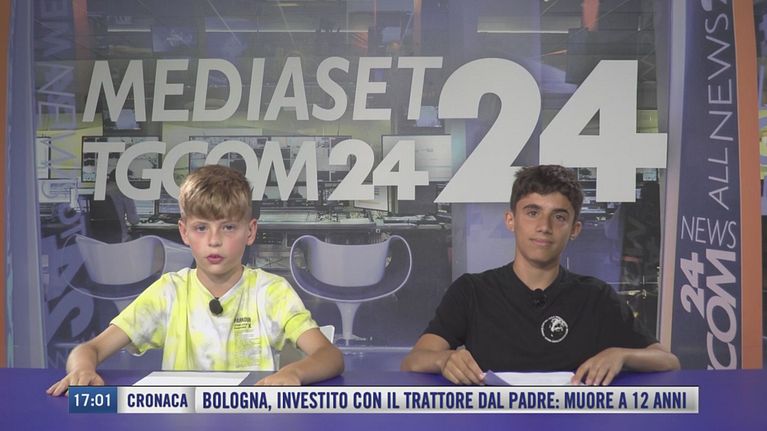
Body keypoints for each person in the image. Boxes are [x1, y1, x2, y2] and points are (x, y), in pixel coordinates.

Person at [48, 165, 343, 395]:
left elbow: (329, 356)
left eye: (228, 227)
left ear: (250, 231)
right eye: (201, 228)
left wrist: (293, 372)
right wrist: (82, 369)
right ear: (184, 232)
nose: (214, 241)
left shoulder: (271, 292)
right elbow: (88, 350)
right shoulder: (169, 292)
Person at [400, 165, 679, 386]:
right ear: (511, 220)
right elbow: (414, 360)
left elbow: (668, 361)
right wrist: (444, 360)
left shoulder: (595, 296)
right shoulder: (472, 291)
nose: (544, 226)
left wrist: (620, 355)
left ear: (575, 229)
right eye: (532, 212)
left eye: (559, 217)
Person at [105, 170, 140, 242]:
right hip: (121, 239)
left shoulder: (99, 193)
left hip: (100, 239)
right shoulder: (124, 193)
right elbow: (133, 220)